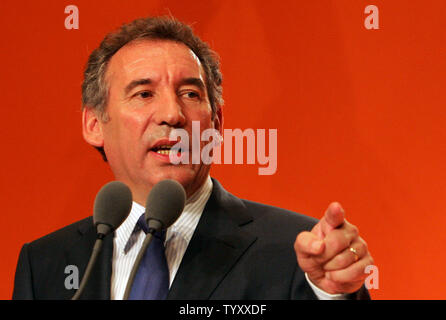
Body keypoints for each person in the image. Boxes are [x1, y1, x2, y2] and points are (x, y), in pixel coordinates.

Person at [12, 16, 373, 300]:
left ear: (215, 124)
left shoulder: (294, 252)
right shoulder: (44, 263)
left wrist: (333, 294)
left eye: (190, 93)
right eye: (143, 94)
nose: (173, 114)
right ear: (94, 125)